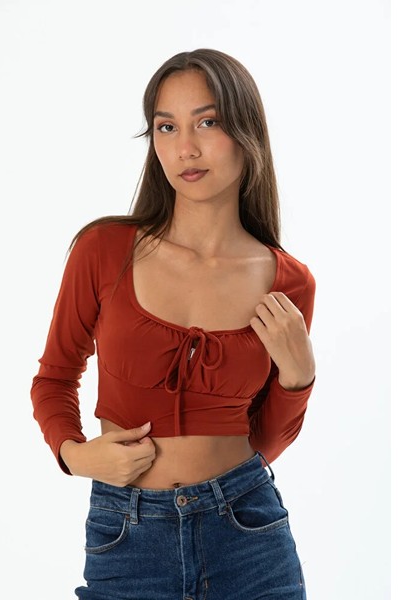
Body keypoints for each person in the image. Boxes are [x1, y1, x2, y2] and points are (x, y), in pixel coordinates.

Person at [31, 48, 316, 600]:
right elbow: (54, 378)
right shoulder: (103, 250)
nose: (186, 147)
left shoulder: (290, 282)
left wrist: (299, 378)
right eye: (166, 127)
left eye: (207, 122)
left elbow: (264, 442)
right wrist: (75, 455)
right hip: (127, 536)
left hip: (249, 533)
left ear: (246, 133)